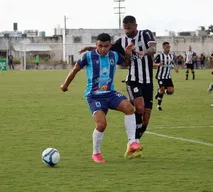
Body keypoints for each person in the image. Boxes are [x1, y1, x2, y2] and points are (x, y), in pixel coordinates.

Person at [79, 16, 156, 158]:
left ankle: (135, 142)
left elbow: (153, 48)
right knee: (137, 107)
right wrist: (90, 48)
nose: (127, 31)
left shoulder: (145, 34)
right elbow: (105, 48)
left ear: (135, 26)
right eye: (125, 28)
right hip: (133, 79)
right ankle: (133, 142)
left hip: (148, 80)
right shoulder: (122, 41)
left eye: (129, 28)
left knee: (146, 118)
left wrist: (144, 52)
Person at [60, 33, 142, 163]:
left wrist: (127, 52)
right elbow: (75, 69)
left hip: (110, 93)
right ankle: (96, 153)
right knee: (102, 124)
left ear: (110, 45)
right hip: (94, 96)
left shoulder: (113, 55)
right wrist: (65, 85)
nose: (103, 49)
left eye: (106, 46)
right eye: (100, 46)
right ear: (96, 45)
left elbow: (126, 63)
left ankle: (132, 142)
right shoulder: (88, 56)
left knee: (129, 108)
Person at [153, 42, 179, 111]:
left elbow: (172, 64)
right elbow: (152, 63)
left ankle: (159, 92)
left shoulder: (171, 56)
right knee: (162, 89)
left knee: (171, 91)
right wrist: (158, 64)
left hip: (168, 77)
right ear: (163, 47)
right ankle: (159, 106)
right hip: (160, 76)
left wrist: (175, 68)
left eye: (169, 47)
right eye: (167, 47)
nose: (168, 48)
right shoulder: (159, 56)